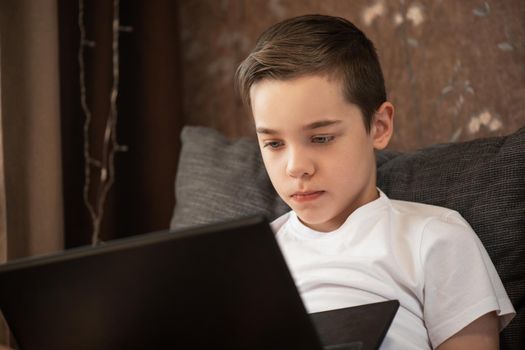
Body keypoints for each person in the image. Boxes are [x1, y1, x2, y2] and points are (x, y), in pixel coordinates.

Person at [235, 14, 515, 349]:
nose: (296, 168)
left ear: (379, 126)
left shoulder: (434, 237)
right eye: (274, 143)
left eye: (321, 138)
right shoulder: (251, 257)